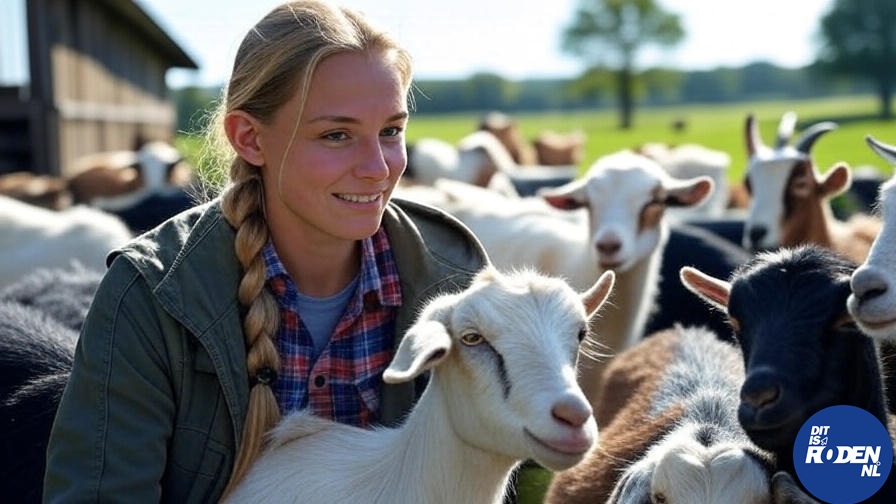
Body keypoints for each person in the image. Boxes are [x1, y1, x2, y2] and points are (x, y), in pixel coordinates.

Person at [42, 1, 489, 501]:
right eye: (337, 135)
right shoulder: (151, 295)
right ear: (250, 138)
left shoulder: (458, 283)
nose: (378, 168)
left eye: (390, 132)